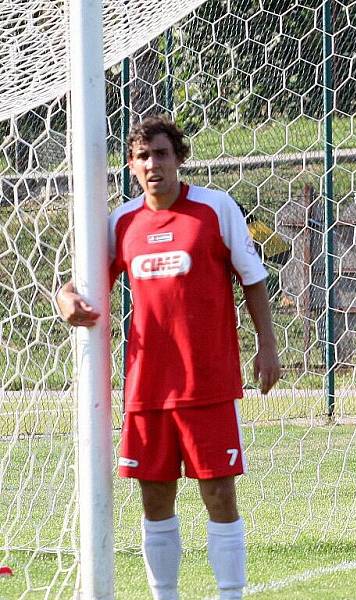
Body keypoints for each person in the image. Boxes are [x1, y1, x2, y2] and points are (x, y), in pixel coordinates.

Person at [56, 116, 282, 599]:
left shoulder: (215, 209)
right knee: (154, 499)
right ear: (132, 167)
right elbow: (84, 281)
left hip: (208, 385)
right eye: (142, 157)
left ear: (179, 158)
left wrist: (267, 345)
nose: (152, 164)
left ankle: (230, 594)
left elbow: (253, 277)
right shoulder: (122, 222)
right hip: (147, 387)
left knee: (219, 493)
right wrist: (65, 297)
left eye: (161, 154)